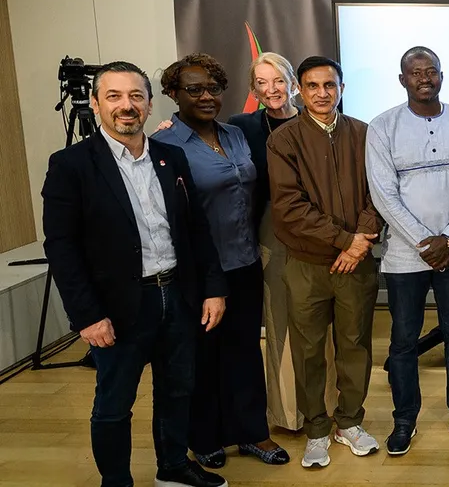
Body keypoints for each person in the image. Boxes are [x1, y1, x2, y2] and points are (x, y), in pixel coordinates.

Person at [42, 61, 229, 487]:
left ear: (147, 104)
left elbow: (196, 229)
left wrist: (213, 289)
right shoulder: (71, 165)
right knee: (114, 403)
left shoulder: (171, 157)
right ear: (95, 104)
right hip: (118, 306)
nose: (126, 105)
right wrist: (87, 316)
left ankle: (173, 467)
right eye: (114, 96)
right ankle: (116, 481)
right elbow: (62, 248)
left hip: (177, 296)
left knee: (177, 389)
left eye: (135, 96)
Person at [152, 53, 288, 467]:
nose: (206, 96)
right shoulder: (164, 145)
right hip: (198, 271)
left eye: (213, 88)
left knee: (244, 350)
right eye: (194, 89)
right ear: (173, 93)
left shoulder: (235, 134)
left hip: (244, 260)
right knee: (203, 355)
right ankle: (205, 437)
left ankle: (251, 433)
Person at [367, 47, 449, 456]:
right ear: (402, 79)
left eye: (431, 71)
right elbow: (383, 195)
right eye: (415, 72)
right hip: (406, 258)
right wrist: (426, 242)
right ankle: (404, 419)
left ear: (442, 76)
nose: (424, 78)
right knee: (404, 341)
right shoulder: (382, 127)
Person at [266, 55, 383, 468]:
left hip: (357, 264)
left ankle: (349, 422)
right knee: (309, 350)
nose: (321, 93)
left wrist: (358, 244)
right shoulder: (284, 140)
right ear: (299, 90)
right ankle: (316, 428)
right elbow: (289, 207)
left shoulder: (365, 134)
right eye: (312, 86)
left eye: (329, 85)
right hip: (307, 264)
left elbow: (380, 193)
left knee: (355, 345)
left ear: (341, 88)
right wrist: (344, 241)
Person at [227, 52, 342, 433]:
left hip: (321, 231)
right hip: (270, 232)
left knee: (321, 322)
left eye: (278, 80)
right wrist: (169, 127)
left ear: (293, 84)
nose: (271, 89)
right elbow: (203, 143)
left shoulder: (321, 121)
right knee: (278, 322)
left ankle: (327, 406)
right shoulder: (240, 127)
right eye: (262, 83)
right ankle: (286, 414)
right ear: (253, 90)